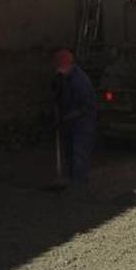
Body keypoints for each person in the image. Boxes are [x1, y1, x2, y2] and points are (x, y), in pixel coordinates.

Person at [52, 49, 97, 189]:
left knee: (79, 153)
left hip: (83, 123)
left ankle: (79, 185)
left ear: (68, 65)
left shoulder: (80, 81)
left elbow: (86, 106)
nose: (58, 71)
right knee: (70, 152)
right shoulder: (66, 77)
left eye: (60, 68)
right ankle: (72, 180)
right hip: (72, 121)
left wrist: (67, 117)